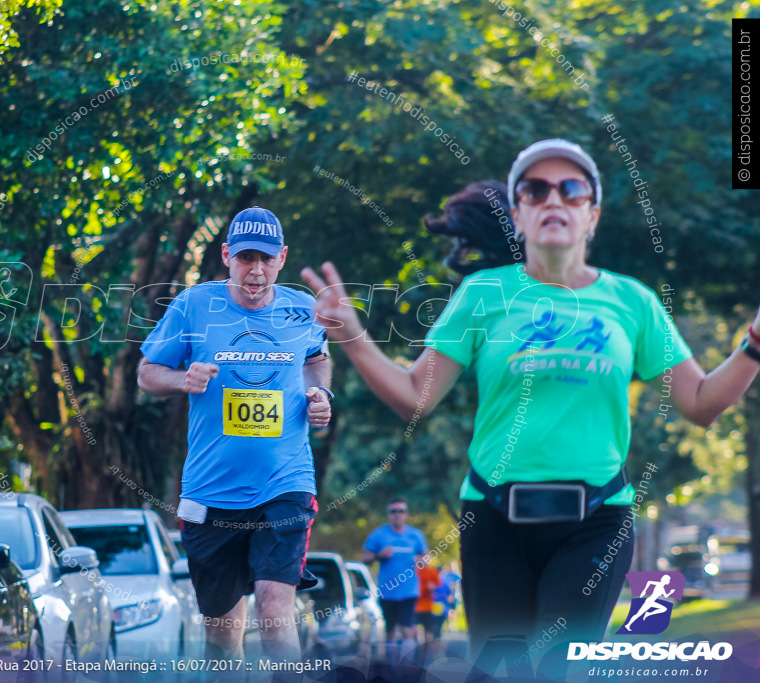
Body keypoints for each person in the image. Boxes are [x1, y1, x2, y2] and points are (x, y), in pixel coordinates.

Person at [302, 139, 760, 673]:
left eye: (571, 190)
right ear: (517, 214)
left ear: (592, 216)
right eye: (535, 190)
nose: (553, 200)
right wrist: (354, 337)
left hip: (597, 522)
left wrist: (753, 342)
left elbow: (700, 403)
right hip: (494, 517)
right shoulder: (481, 294)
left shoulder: (632, 301)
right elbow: (414, 398)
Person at [137, 206, 332, 661]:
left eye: (266, 259)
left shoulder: (303, 309)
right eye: (246, 258)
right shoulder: (193, 306)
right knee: (223, 637)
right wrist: (183, 379)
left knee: (274, 606)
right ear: (227, 255)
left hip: (286, 482)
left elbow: (316, 359)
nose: (256, 270)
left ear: (282, 258)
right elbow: (148, 374)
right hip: (211, 490)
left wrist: (319, 394)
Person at [361, 497, 427, 655]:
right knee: (389, 629)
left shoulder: (415, 535)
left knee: (407, 627)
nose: (397, 514)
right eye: (393, 511)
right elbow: (365, 558)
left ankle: (408, 666)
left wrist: (421, 560)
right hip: (387, 591)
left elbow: (426, 557)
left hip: (409, 591)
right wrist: (379, 555)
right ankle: (390, 668)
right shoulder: (378, 534)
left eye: (401, 511)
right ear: (388, 514)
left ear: (406, 514)